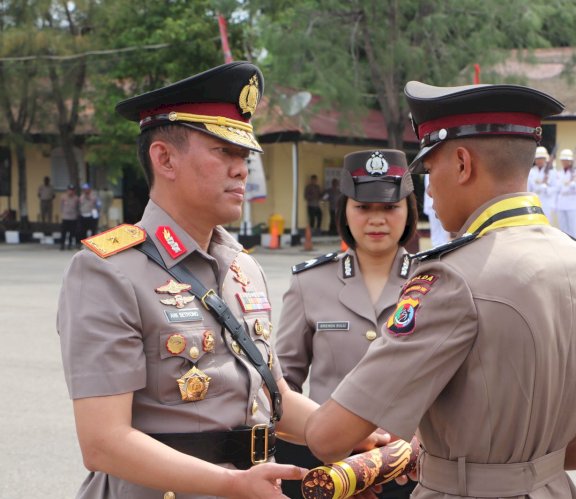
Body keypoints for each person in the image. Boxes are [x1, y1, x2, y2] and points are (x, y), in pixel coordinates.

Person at [305, 81, 576, 498]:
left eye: (430, 170)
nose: (429, 189)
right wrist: (529, 465)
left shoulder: (451, 279)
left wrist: (451, 461)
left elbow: (329, 436)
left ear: (462, 163)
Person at [57, 62, 380, 499]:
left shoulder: (243, 267)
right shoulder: (108, 270)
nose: (241, 169)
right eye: (222, 151)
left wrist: (352, 437)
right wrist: (230, 484)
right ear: (164, 158)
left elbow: (275, 398)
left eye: (244, 155)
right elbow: (103, 443)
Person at [275, 149, 418, 499]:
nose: (377, 220)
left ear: (409, 211)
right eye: (363, 207)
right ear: (345, 211)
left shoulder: (436, 279)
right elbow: (282, 386)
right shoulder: (310, 282)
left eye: (389, 207)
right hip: (331, 469)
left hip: (413, 466)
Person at [556, 148, 576, 238]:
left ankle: (574, 247)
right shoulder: (559, 173)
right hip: (561, 203)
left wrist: (573, 185)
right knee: (563, 229)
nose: (564, 162)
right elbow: (557, 187)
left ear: (570, 161)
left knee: (573, 228)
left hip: (572, 203)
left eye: (566, 160)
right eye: (563, 160)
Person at [527, 145, 558, 221]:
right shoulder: (531, 172)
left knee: (547, 225)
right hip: (534, 202)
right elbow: (528, 188)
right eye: (537, 158)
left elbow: (556, 188)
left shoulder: (552, 172)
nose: (539, 160)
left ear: (545, 159)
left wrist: (546, 186)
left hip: (547, 203)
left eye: (541, 158)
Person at [423, 175, 451, 247]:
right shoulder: (428, 172)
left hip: (442, 202)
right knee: (435, 232)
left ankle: (444, 249)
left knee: (444, 232)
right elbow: (428, 188)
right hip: (432, 203)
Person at [59, 184, 79, 250]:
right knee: (63, 232)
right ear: (67, 190)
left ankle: (69, 245)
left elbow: (77, 208)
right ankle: (62, 245)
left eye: (72, 190)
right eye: (70, 190)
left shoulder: (76, 198)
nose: (71, 191)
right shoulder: (63, 197)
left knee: (72, 232)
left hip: (73, 218)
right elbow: (61, 207)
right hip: (65, 217)